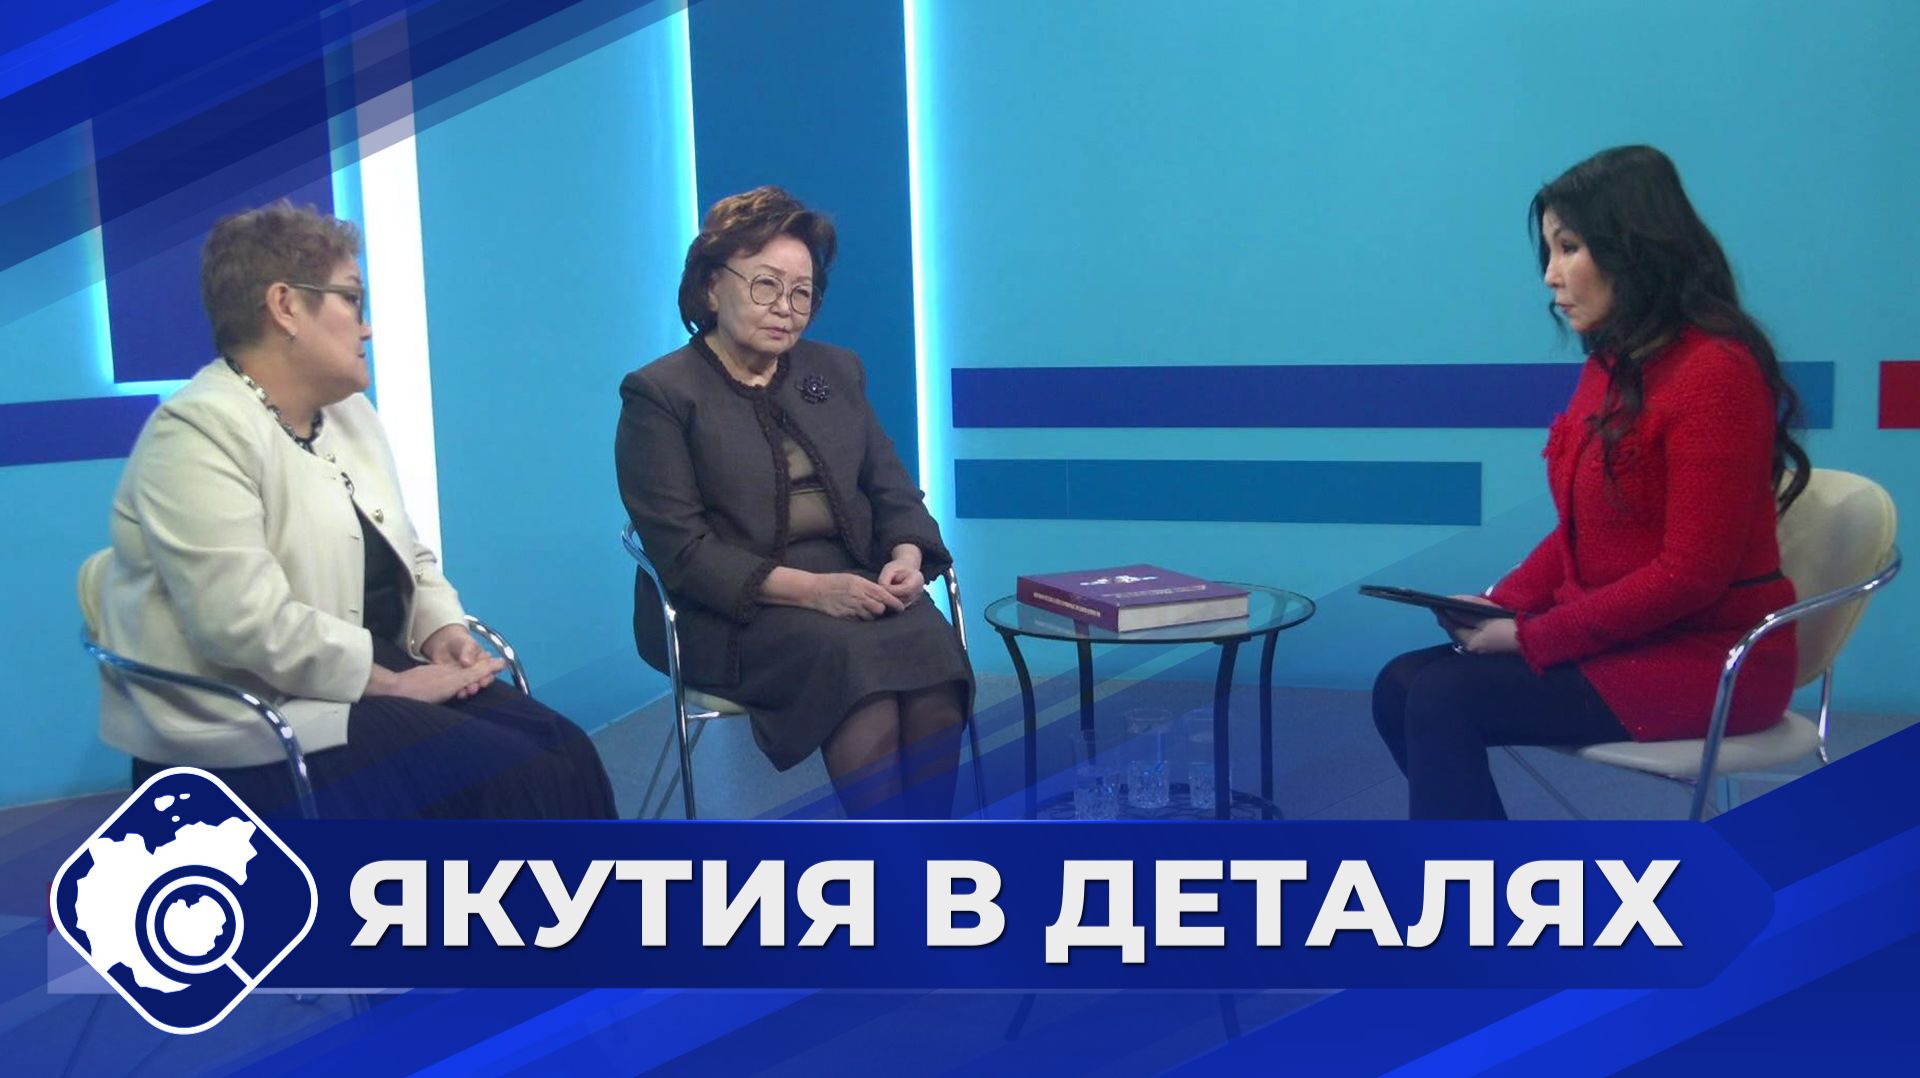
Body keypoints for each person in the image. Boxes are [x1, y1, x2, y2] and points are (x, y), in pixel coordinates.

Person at [95, 202, 616, 820]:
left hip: (356, 680)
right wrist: (394, 682)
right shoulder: (194, 433)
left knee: (566, 749)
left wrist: (442, 631)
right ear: (285, 306)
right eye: (351, 299)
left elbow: (409, 553)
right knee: (518, 779)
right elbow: (241, 624)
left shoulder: (350, 415)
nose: (365, 328)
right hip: (254, 718)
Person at [1371, 146, 1809, 819]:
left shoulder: (1717, 372)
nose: (1550, 275)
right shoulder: (1614, 361)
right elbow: (1584, 528)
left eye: (1569, 248)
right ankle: (1482, 871)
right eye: (1549, 252)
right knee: (1399, 684)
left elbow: (1690, 576)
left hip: (1710, 659)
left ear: (1634, 247)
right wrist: (1497, 605)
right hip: (1624, 639)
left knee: (1444, 695)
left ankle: (1465, 884)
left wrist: (1531, 636)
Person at [616, 186, 972, 819]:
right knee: (858, 678)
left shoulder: (836, 370)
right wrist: (813, 592)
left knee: (934, 666)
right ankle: (886, 866)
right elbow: (684, 553)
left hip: (857, 582)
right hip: (732, 608)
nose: (786, 308)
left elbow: (891, 488)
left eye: (802, 292)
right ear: (710, 287)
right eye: (765, 286)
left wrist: (907, 556)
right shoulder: (660, 394)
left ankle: (921, 858)